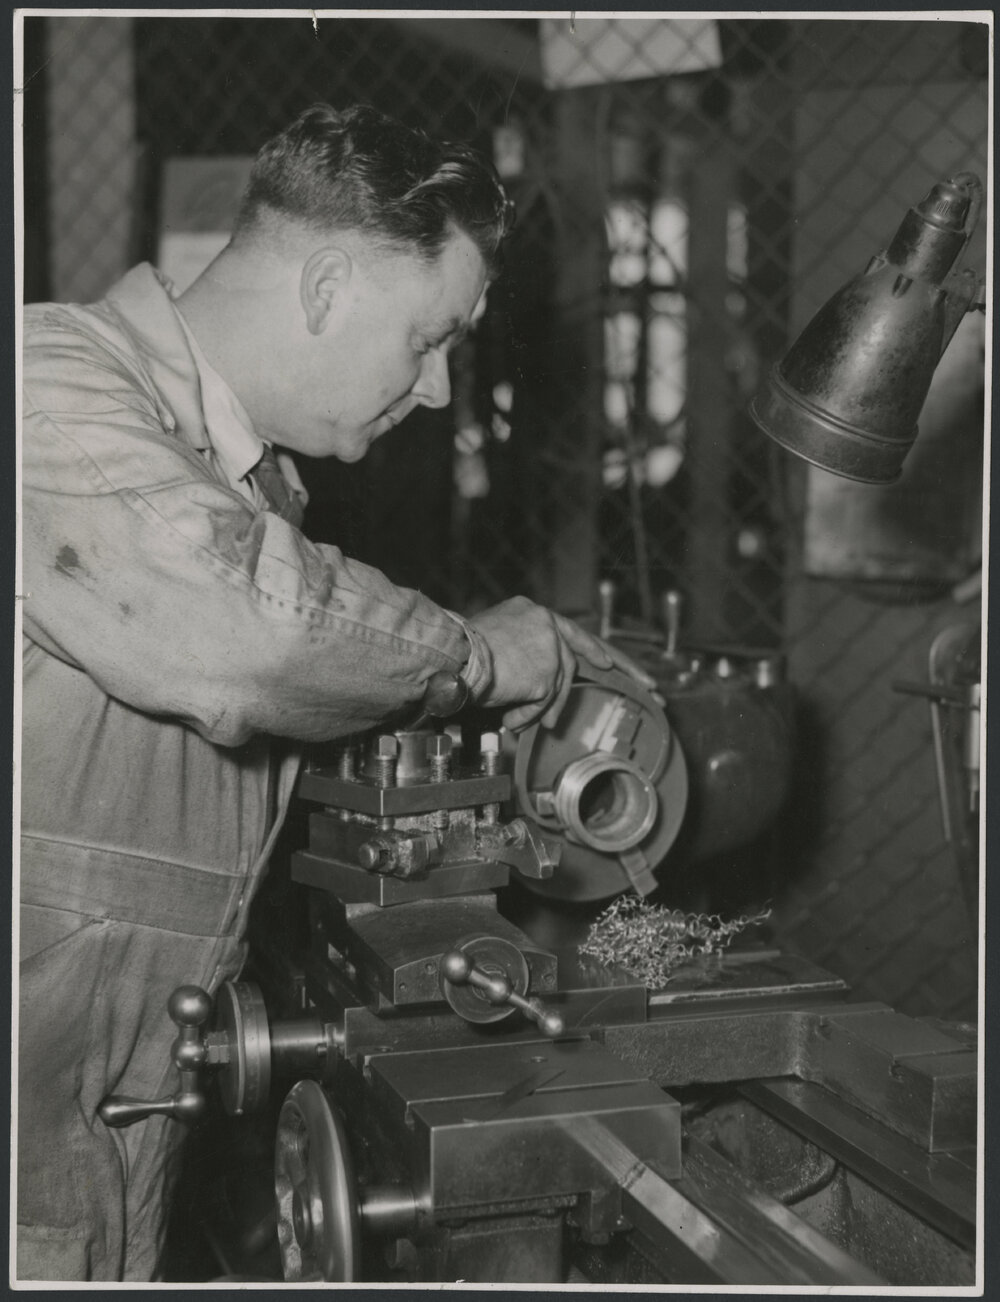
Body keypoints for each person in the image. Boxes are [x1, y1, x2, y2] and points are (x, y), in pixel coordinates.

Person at [18, 102, 654, 1281]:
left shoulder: (251, 484)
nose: (436, 390)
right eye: (429, 338)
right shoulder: (46, 386)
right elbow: (248, 634)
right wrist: (471, 658)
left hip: (98, 1126)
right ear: (324, 287)